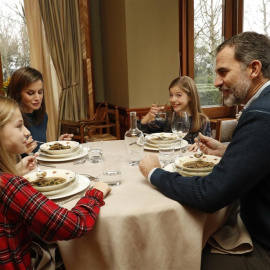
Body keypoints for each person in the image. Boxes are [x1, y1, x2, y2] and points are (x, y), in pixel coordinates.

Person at [139, 31, 270, 269]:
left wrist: (154, 173)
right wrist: (226, 151)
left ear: (254, 69)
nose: (216, 82)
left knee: (181, 256)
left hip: (263, 242)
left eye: (223, 72)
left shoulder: (261, 114)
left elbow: (209, 194)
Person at [0, 96, 111, 269]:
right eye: (19, 125)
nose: (27, 132)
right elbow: (72, 225)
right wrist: (96, 193)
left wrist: (16, 171)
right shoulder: (9, 186)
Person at [7, 67, 73, 154]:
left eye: (40, 92)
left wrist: (58, 144)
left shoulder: (43, 117)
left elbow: (39, 148)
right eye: (30, 93)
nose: (38, 98)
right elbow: (6, 159)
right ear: (17, 93)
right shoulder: (9, 120)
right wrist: (23, 152)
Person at [137, 76, 211, 144]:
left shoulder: (202, 121)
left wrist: (200, 146)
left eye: (178, 95)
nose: (173, 99)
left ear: (190, 97)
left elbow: (207, 146)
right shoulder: (167, 118)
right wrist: (149, 115)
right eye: (171, 95)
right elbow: (141, 133)